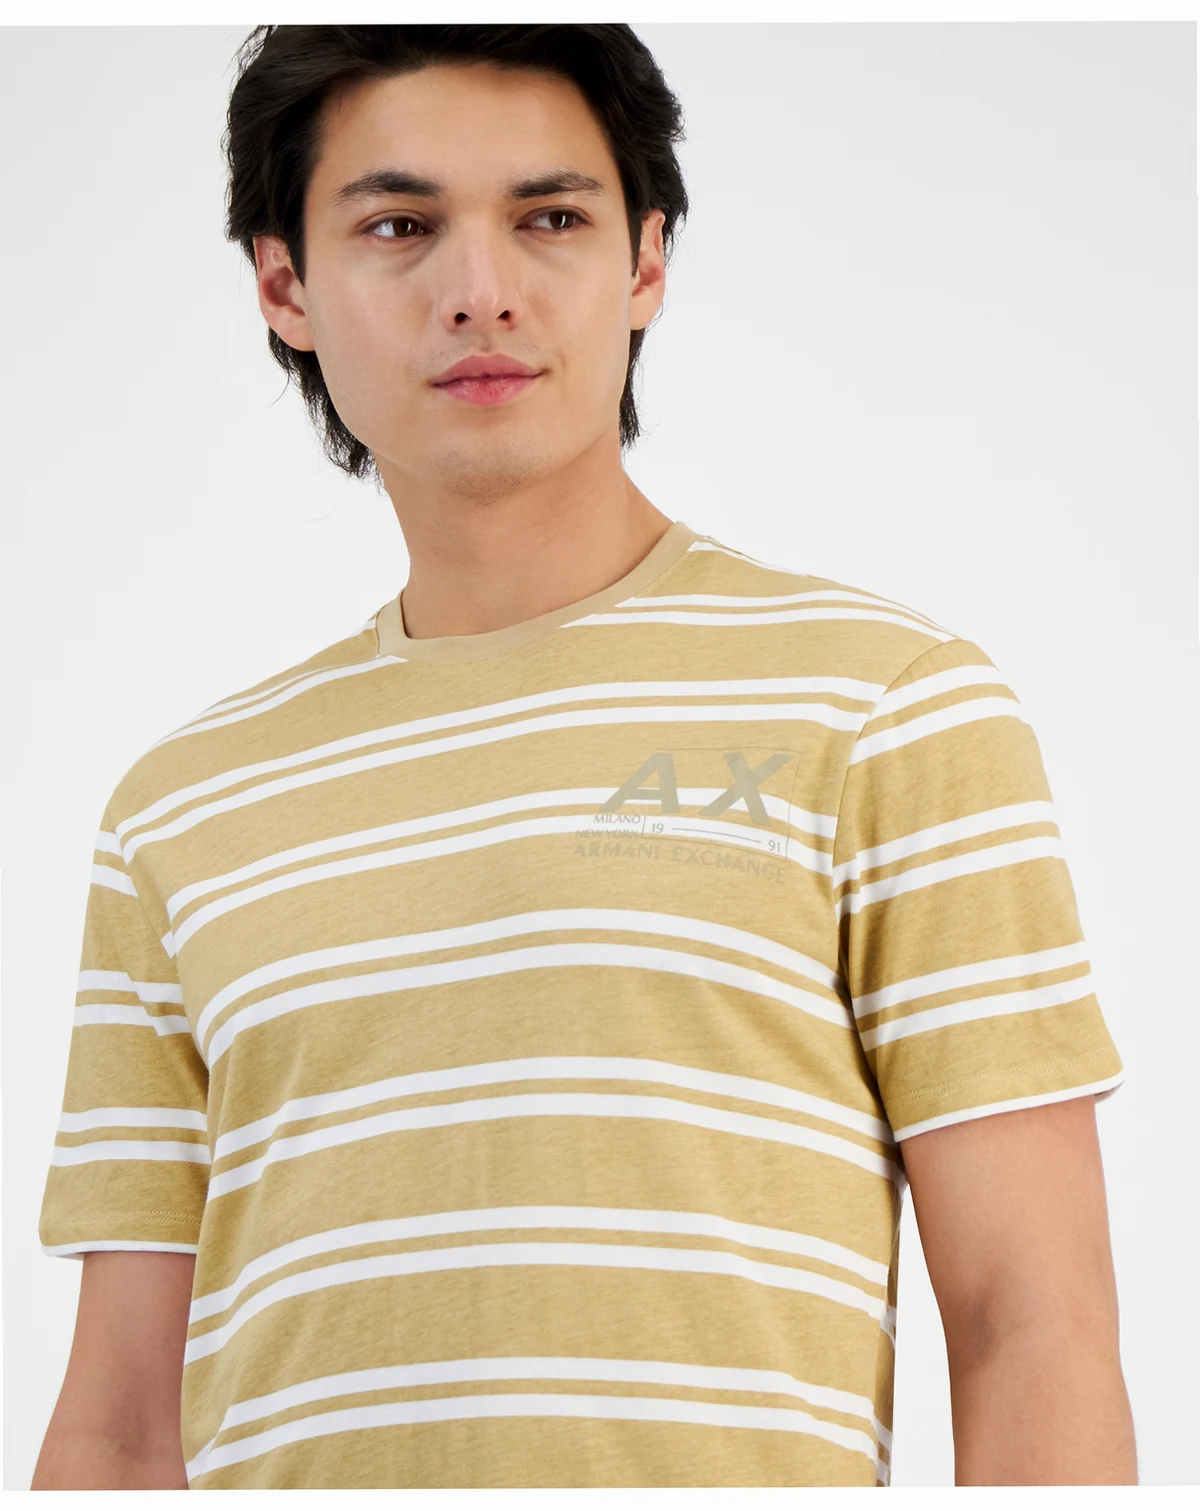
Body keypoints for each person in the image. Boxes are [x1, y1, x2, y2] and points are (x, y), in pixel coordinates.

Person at [31, 23, 1136, 1491]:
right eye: (401, 226)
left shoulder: (883, 706)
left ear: (647, 262)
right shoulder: (180, 811)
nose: (480, 291)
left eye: (550, 219)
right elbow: (118, 1423)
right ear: (285, 285)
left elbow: (1033, 1328)